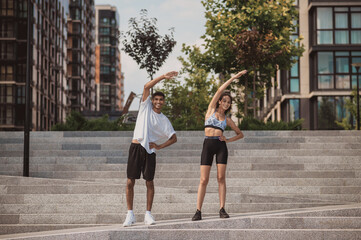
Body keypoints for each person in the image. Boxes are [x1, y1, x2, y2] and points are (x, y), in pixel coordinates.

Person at [123, 71, 178, 227]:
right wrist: (163, 77)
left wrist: (159, 146)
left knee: (149, 183)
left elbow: (174, 138)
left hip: (150, 151)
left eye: (161, 100)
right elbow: (146, 86)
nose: (158, 102)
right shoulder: (145, 107)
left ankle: (148, 214)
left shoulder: (164, 120)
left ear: (164, 102)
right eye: (156, 99)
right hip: (136, 146)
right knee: (129, 182)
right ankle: (130, 214)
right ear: (152, 101)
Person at [192, 70, 247, 221]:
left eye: (228, 102)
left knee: (221, 178)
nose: (226, 104)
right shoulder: (210, 110)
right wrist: (234, 77)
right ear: (219, 102)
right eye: (224, 101)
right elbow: (219, 90)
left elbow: (240, 134)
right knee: (204, 179)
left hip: (220, 146)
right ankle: (198, 211)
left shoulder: (227, 120)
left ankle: (222, 209)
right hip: (207, 145)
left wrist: (227, 140)